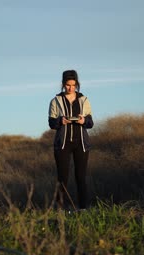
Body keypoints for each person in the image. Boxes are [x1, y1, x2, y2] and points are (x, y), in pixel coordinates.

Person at [48, 69, 94, 210]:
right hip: (62, 144)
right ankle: (61, 210)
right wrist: (60, 121)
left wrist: (83, 121)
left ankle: (83, 209)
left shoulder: (84, 100)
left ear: (77, 84)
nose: (71, 88)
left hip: (81, 144)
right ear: (63, 84)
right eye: (68, 85)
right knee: (62, 179)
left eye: (73, 85)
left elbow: (90, 123)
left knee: (81, 178)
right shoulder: (55, 100)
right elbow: (51, 123)